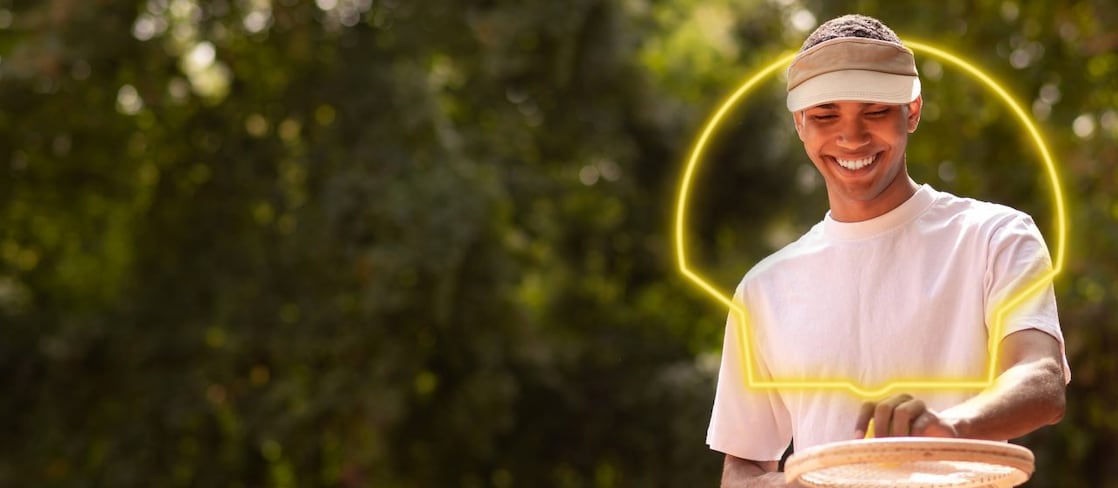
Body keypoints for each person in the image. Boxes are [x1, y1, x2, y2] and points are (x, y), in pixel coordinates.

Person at [705, 14, 1070, 488]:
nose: (851, 137)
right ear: (799, 123)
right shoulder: (764, 289)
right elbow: (742, 468)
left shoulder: (994, 236)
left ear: (912, 111)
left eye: (875, 111)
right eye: (825, 115)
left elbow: (1041, 379)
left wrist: (948, 430)